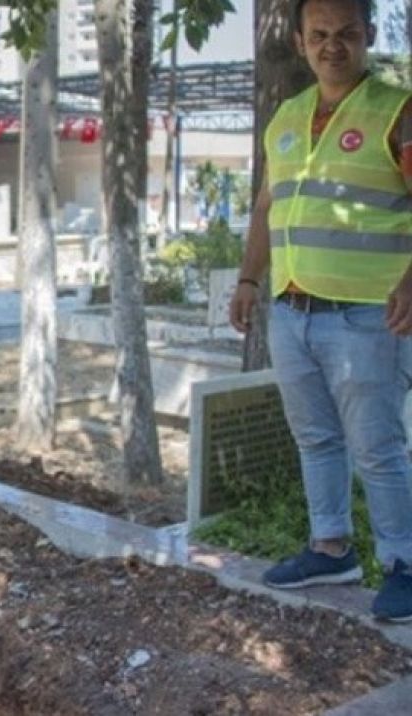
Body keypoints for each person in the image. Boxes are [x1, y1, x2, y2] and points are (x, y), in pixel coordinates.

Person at [228, 0, 412, 621]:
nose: (333, 46)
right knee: (315, 436)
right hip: (293, 310)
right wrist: (250, 278)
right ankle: (331, 548)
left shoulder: (398, 110)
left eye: (348, 34)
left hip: (368, 315)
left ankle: (405, 561)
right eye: (320, 35)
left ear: (370, 36)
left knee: (378, 445)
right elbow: (265, 208)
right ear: (301, 42)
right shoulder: (285, 116)